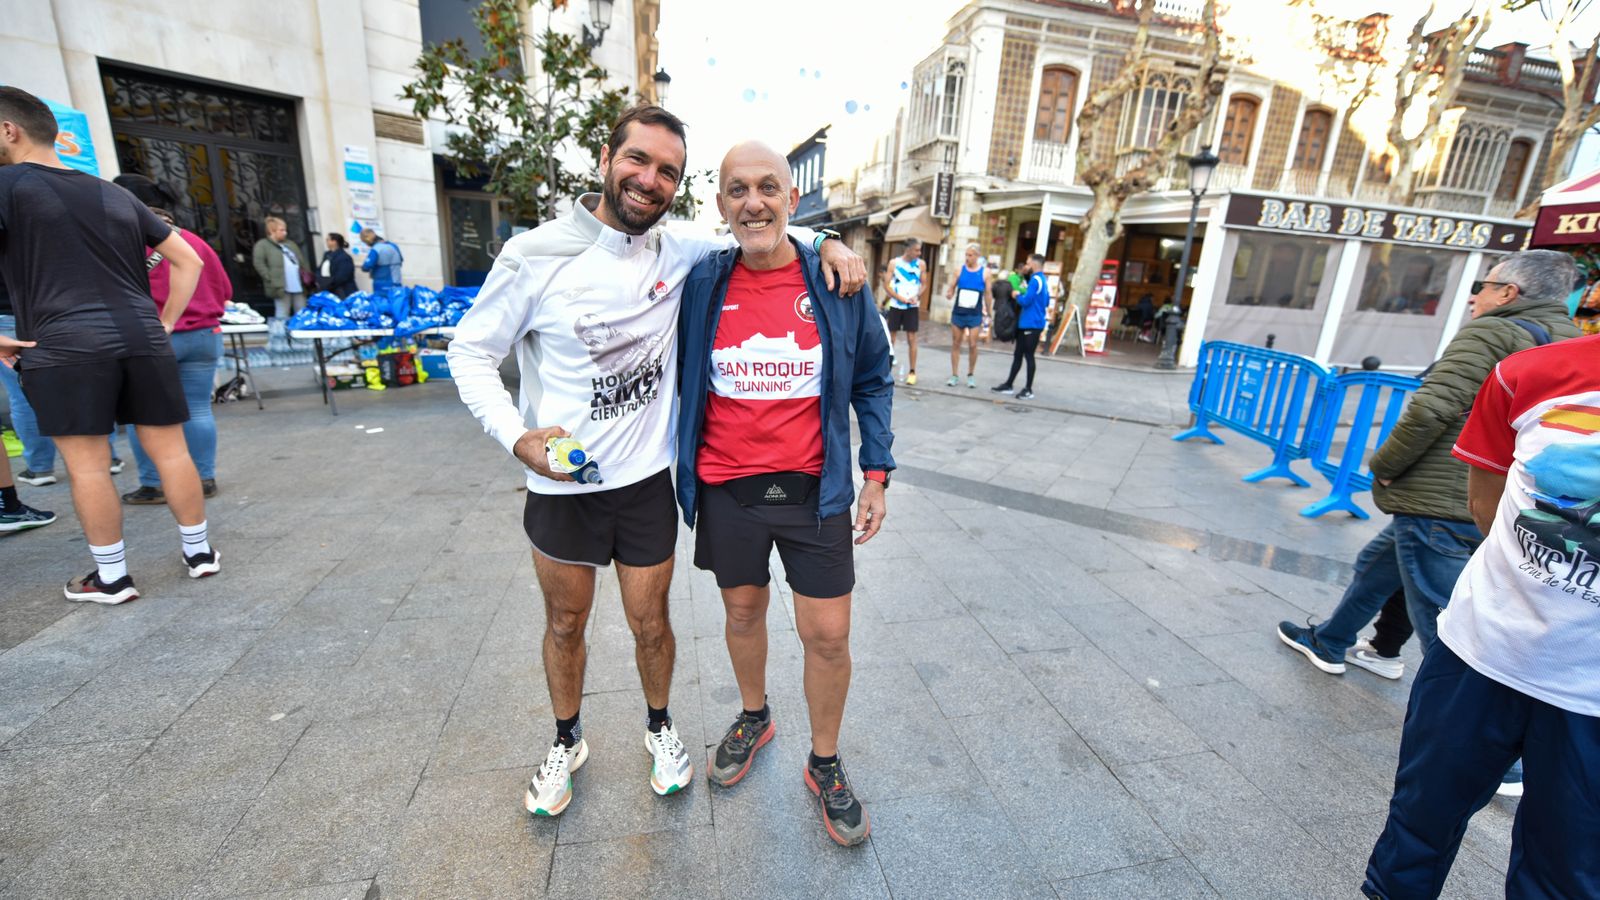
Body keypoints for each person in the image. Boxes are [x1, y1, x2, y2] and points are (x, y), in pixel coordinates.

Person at [446, 105, 863, 819]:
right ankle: (565, 739)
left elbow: (760, 229)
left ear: (677, 186)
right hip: (562, 488)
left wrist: (825, 238)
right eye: (637, 161)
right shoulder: (534, 254)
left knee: (651, 624)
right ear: (606, 159)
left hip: (644, 485)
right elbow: (470, 351)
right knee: (565, 625)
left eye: (667, 171)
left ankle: (660, 728)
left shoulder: (681, 252)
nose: (649, 180)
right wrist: (517, 436)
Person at [676, 141, 893, 846]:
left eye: (768, 187)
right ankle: (754, 714)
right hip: (729, 488)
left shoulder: (835, 282)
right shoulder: (702, 278)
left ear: (791, 200)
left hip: (815, 490)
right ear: (721, 206)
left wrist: (877, 474)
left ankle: (824, 761)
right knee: (742, 612)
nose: (753, 202)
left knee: (827, 634)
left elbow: (872, 377)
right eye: (737, 190)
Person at [1361, 327, 1600, 899]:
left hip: (1591, 699)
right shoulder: (1529, 373)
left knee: (1567, 870)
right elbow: (1485, 505)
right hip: (1480, 652)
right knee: (1417, 828)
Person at [1277, 250, 1582, 671]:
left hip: (1446, 495)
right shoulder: (1571, 345)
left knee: (1443, 619)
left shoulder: (1491, 333)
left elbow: (1430, 410)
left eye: (1483, 286)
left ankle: (1461, 715)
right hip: (1507, 497)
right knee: (1380, 564)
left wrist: (1385, 466)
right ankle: (1342, 643)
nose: (1474, 297)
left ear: (1509, 292)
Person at [0, 85, 219, 603]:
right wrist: (163, 322)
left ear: (9, 130)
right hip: (142, 336)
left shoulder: (6, 185)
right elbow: (189, 260)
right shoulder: (115, 193)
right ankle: (200, 554)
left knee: (89, 464)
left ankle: (113, 578)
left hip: (64, 341)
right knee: (170, 450)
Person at [111, 174, 231, 504]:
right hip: (204, 336)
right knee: (198, 409)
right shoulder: (195, 241)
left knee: (143, 415)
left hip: (155, 337)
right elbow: (225, 291)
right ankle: (204, 478)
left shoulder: (126, 241)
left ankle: (154, 484)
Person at [991, 253, 1048, 400]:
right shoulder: (1043, 279)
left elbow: (1026, 301)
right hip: (1030, 323)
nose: (1026, 266)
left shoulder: (1035, 280)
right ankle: (1009, 384)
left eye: (1028, 263)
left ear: (1034, 264)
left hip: (1031, 323)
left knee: (1028, 356)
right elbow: (1046, 301)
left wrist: (1016, 294)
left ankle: (1028, 389)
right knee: (1018, 354)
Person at [944, 243, 989, 387]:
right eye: (966, 255)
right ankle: (954, 375)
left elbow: (988, 294)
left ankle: (970, 374)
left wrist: (989, 311)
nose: (967, 258)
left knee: (973, 344)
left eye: (970, 255)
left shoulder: (985, 273)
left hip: (975, 313)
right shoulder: (959, 271)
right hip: (959, 312)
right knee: (956, 343)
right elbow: (951, 288)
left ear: (977, 256)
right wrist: (949, 293)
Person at [251, 216, 310, 319]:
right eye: (281, 230)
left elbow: (302, 261)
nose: (285, 233)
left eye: (285, 230)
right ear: (272, 231)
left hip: (298, 284)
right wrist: (270, 278)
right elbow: (259, 263)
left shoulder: (290, 244)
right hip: (280, 286)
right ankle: (281, 335)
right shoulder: (262, 245)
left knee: (302, 313)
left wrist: (307, 277)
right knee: (282, 313)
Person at [883, 239, 923, 384]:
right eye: (917, 250)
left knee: (912, 338)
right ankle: (885, 371)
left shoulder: (921, 264)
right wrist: (900, 298)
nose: (919, 253)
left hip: (912, 307)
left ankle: (912, 372)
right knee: (890, 338)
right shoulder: (894, 263)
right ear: (909, 249)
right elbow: (886, 286)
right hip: (896, 305)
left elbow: (924, 284)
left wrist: (917, 296)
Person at [317, 233, 357, 298]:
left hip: (342, 291)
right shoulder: (327, 254)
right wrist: (320, 281)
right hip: (328, 290)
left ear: (334, 242)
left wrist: (328, 284)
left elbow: (342, 276)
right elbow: (320, 269)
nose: (326, 242)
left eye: (328, 240)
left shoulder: (344, 257)